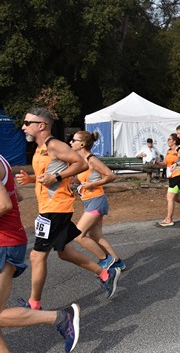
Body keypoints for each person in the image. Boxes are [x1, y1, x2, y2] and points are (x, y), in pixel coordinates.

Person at [15, 108, 120, 309]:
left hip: (56, 208)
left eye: (27, 123)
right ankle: (106, 273)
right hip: (49, 207)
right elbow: (50, 173)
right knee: (64, 252)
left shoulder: (54, 145)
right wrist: (32, 179)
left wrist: (56, 177)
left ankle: (34, 304)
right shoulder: (40, 148)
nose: (23, 126)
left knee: (37, 255)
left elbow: (80, 163)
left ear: (41, 125)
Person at [0, 154, 80, 352]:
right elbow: (17, 196)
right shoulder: (2, 159)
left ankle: (60, 317)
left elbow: (4, 204)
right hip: (9, 238)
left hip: (5, 242)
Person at [71, 131, 125, 271]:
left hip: (97, 200)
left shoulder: (92, 159)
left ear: (82, 144)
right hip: (88, 201)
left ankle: (106, 259)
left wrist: (92, 184)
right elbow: (81, 178)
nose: (71, 142)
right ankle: (118, 262)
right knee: (95, 235)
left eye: (73, 140)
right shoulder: (80, 161)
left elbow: (111, 176)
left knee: (78, 235)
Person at [158, 134, 180, 227]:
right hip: (171, 176)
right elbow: (164, 163)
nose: (168, 141)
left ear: (174, 141)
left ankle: (169, 219)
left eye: (169, 139)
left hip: (178, 175)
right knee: (177, 198)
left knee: (170, 197)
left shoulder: (179, 150)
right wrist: (157, 163)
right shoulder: (168, 151)